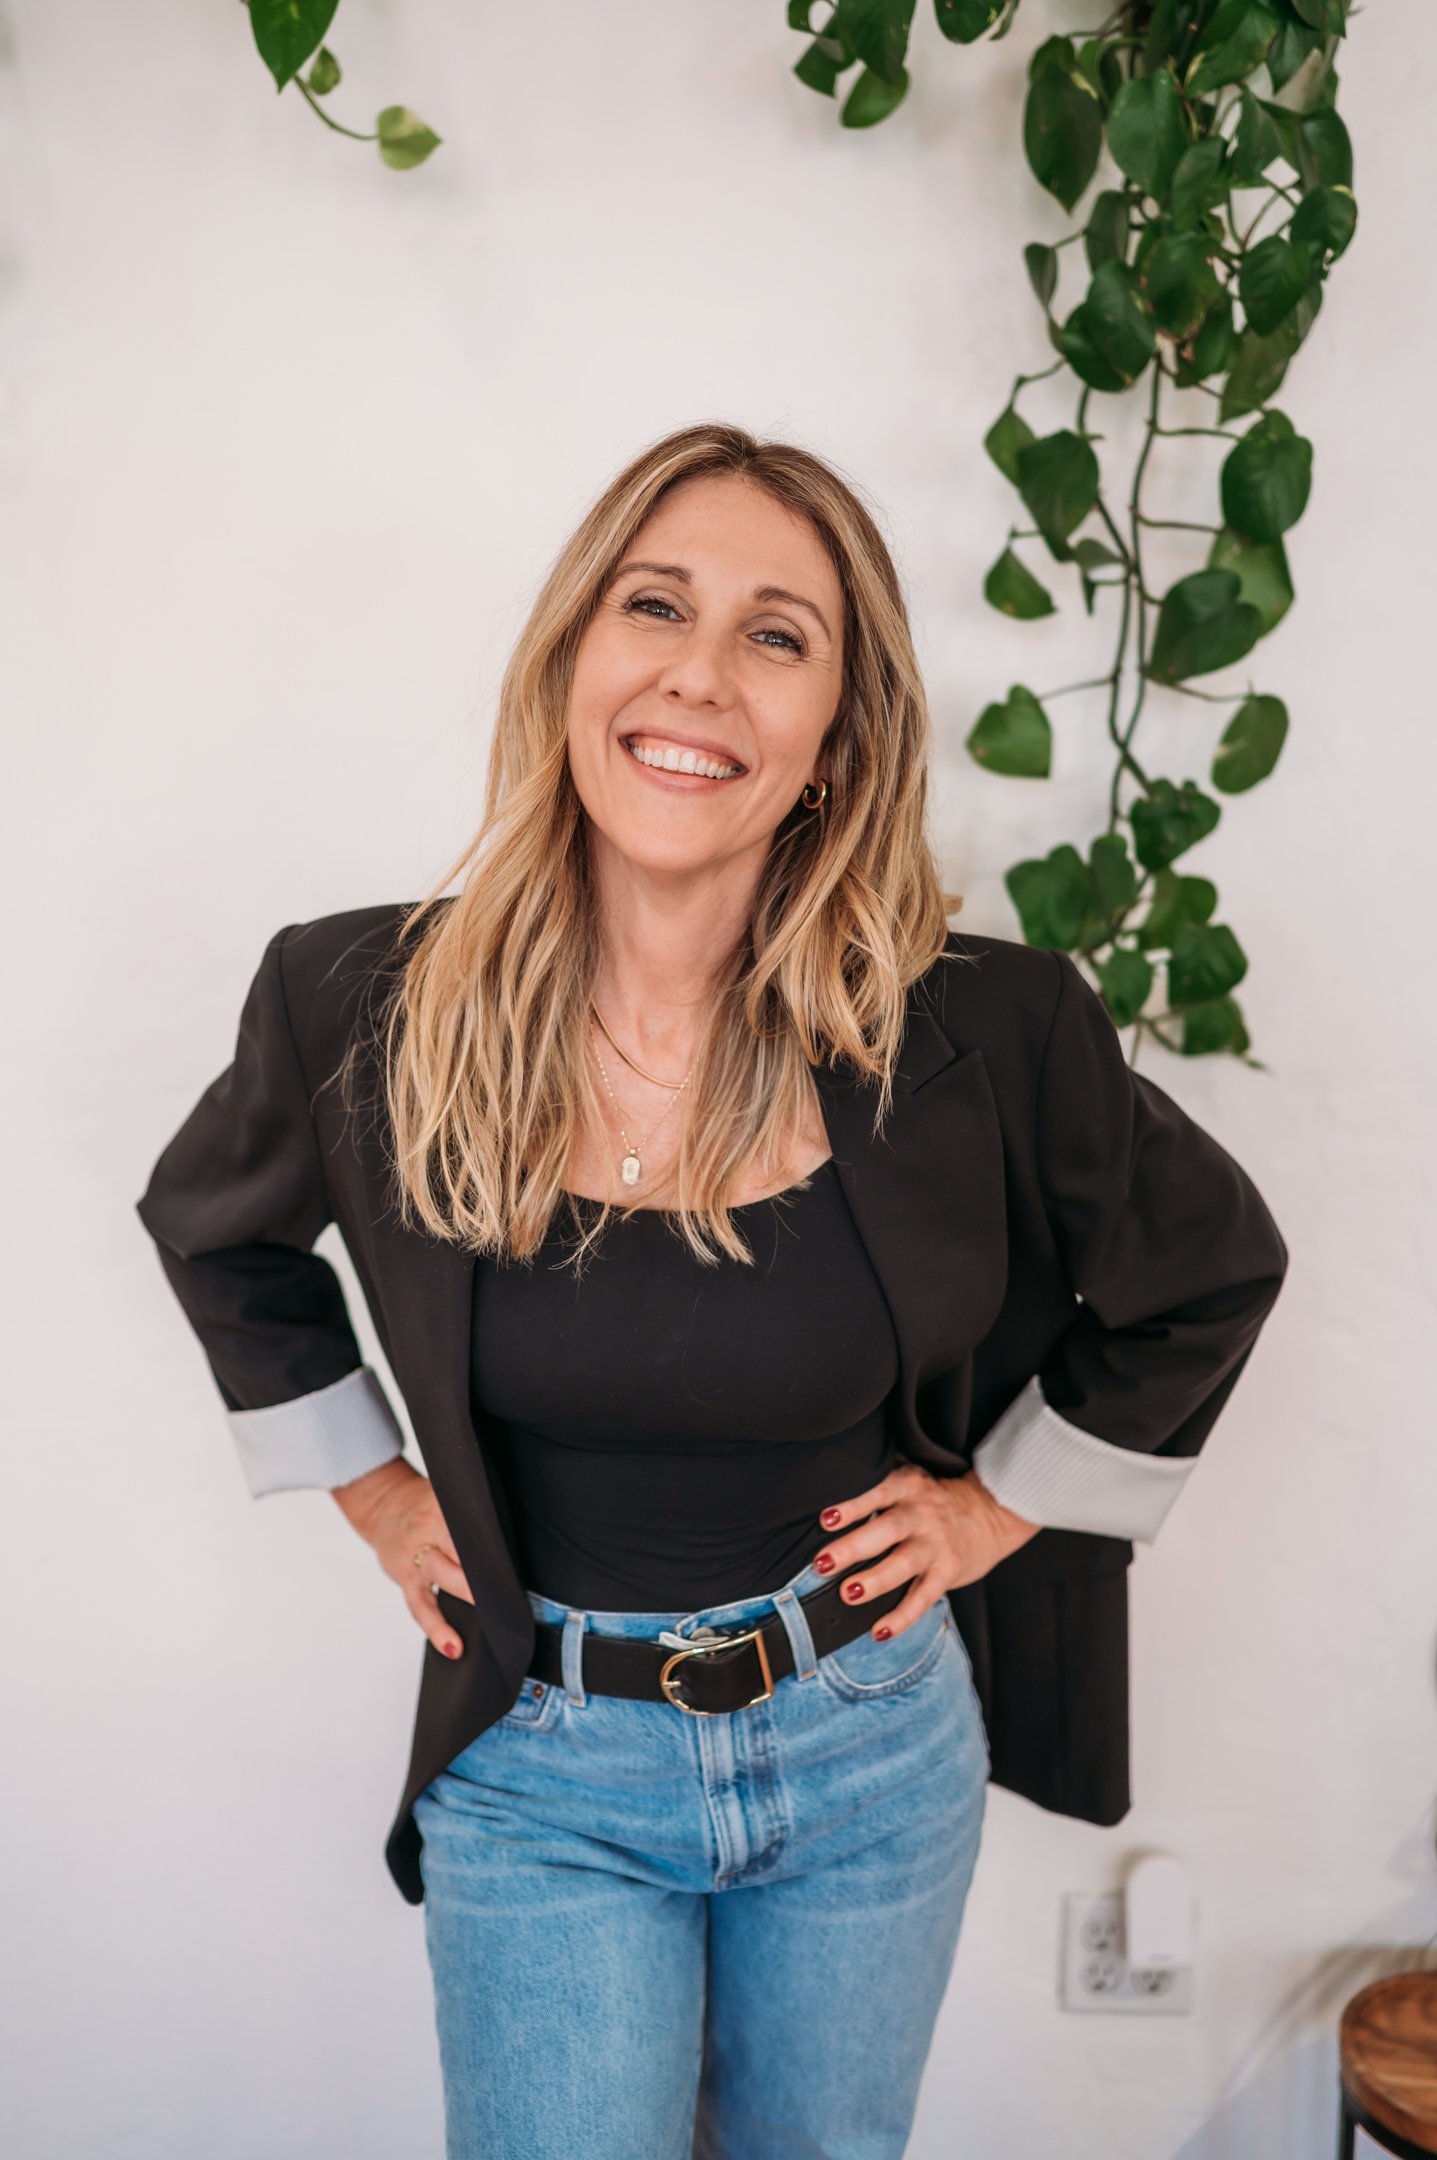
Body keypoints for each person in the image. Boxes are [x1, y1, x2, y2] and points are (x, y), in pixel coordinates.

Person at [135, 421, 1288, 2160]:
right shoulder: (356, 1000)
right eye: (654, 605)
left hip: (868, 1751)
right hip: (540, 1768)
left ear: (837, 736)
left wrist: (995, 1510)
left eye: (777, 634)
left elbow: (1206, 1270)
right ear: (570, 657)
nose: (698, 675)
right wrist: (369, 1486)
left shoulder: (984, 1028)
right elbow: (213, 1231)